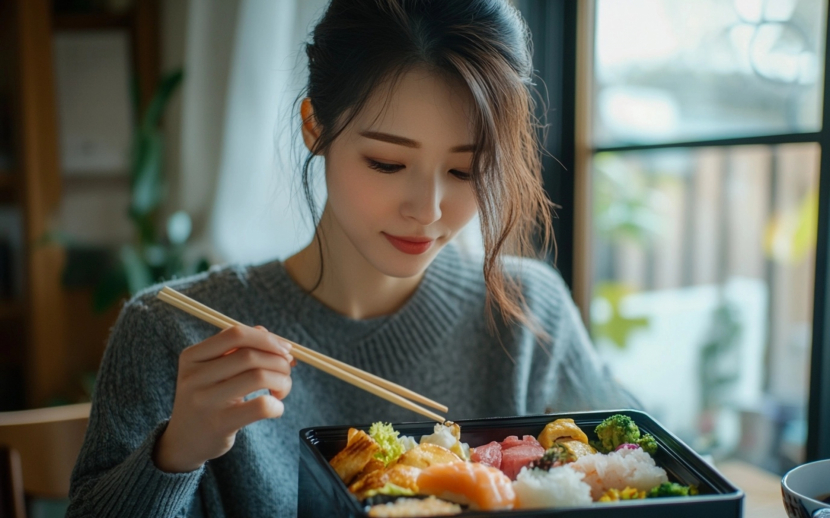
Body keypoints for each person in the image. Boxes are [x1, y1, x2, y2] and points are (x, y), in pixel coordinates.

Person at [67, 0, 637, 516]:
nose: (428, 209)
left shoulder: (527, 313)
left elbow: (649, 471)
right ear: (316, 126)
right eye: (387, 163)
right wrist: (176, 453)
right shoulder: (173, 330)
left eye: (466, 170)